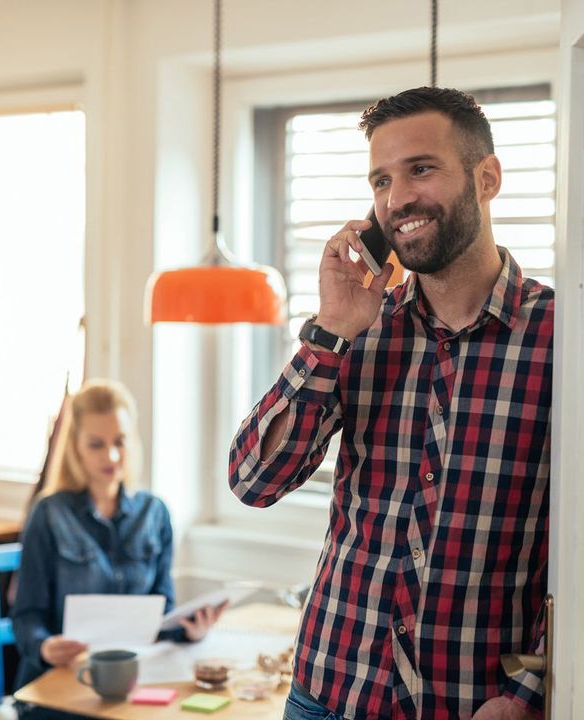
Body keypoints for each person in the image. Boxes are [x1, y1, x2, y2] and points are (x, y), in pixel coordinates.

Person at [229, 87, 552, 720]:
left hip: (469, 706)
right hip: (326, 694)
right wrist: (329, 332)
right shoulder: (358, 330)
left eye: (421, 170)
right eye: (381, 179)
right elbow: (253, 480)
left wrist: (530, 692)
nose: (397, 198)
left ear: (487, 179)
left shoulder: (560, 339)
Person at [13, 378, 224, 718]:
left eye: (120, 442)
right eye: (96, 444)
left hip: (131, 684)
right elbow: (26, 617)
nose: (111, 455)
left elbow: (161, 611)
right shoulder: (49, 513)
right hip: (60, 687)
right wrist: (45, 646)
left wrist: (191, 631)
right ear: (76, 447)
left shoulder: (155, 513)